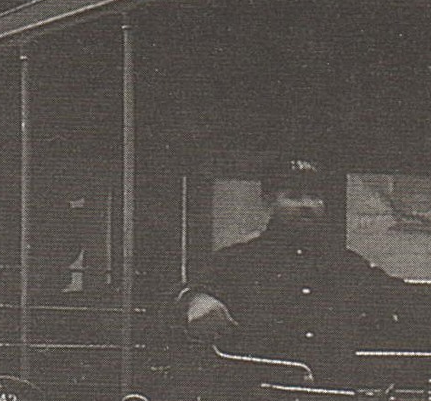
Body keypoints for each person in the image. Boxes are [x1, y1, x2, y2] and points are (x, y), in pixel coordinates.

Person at [177, 155, 414, 385]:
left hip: (334, 399)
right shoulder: (235, 261)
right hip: (257, 399)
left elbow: (402, 299)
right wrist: (194, 301)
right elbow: (178, 303)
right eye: (293, 196)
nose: (307, 206)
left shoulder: (347, 265)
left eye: (315, 197)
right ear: (269, 202)